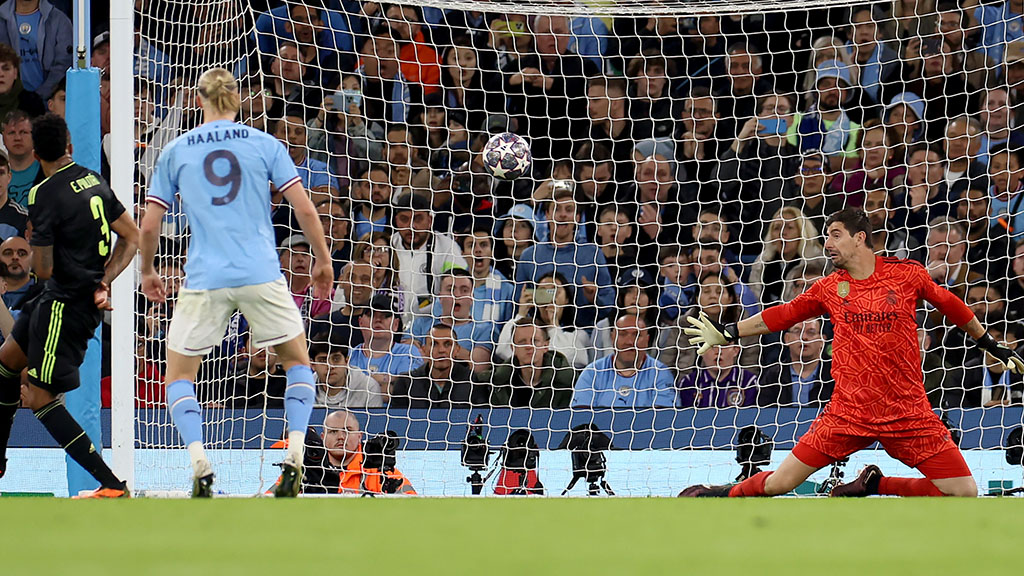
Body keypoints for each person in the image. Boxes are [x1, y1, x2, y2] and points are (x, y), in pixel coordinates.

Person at [680, 208, 1024, 498]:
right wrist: (729, 331)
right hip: (848, 413)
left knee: (964, 492)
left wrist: (989, 343)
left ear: (860, 238)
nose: (827, 244)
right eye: (827, 236)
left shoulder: (906, 275)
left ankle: (876, 483)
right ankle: (718, 493)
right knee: (780, 483)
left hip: (907, 411)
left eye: (835, 235)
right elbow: (784, 314)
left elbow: (951, 304)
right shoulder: (829, 287)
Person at [139, 68, 333, 498]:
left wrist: (149, 270)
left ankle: (198, 459)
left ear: (198, 100)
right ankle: (296, 452)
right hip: (262, 272)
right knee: (297, 362)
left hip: (206, 276)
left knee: (180, 375)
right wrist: (322, 260)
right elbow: (304, 207)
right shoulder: (265, 143)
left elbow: (150, 223)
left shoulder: (176, 149)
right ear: (239, 99)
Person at [0, 113, 138, 497]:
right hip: (60, 298)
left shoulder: (42, 193)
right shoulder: (93, 179)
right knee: (7, 360)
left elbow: (42, 269)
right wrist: (105, 278)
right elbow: (131, 235)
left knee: (42, 396)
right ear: (68, 145)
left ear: (36, 152)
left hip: (63, 304)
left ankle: (112, 484)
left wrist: (40, 239)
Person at [572, 313, 676, 408]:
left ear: (647, 341)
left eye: (637, 335)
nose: (629, 342)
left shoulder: (661, 373)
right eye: (622, 334)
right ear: (612, 338)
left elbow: (664, 421)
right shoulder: (592, 372)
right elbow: (580, 418)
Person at [300, 410, 415, 495]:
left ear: (359, 436)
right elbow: (282, 504)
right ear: (323, 437)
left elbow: (413, 505)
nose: (341, 437)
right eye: (333, 431)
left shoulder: (380, 471)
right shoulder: (306, 471)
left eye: (347, 430)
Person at [390, 323, 483, 409]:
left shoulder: (471, 381)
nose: (441, 350)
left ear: (457, 350)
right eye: (434, 344)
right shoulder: (406, 383)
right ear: (424, 350)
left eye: (447, 344)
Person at [490, 319, 577, 408]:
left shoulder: (569, 381)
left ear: (546, 346)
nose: (529, 346)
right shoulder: (495, 382)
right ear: (513, 348)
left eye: (535, 341)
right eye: (522, 342)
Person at [758, 318, 835, 407]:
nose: (804, 337)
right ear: (787, 338)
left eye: (811, 332)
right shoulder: (773, 376)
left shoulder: (835, 375)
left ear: (822, 340)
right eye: (797, 331)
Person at [309, 344, 383, 409]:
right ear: (313, 365)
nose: (330, 366)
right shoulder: (304, 390)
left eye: (336, 359)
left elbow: (376, 423)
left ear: (346, 362)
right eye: (323, 360)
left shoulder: (369, 387)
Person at [0, 234, 34, 309]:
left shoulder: (44, 293)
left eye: (22, 254)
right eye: (8, 253)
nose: (15, 257)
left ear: (32, 260)